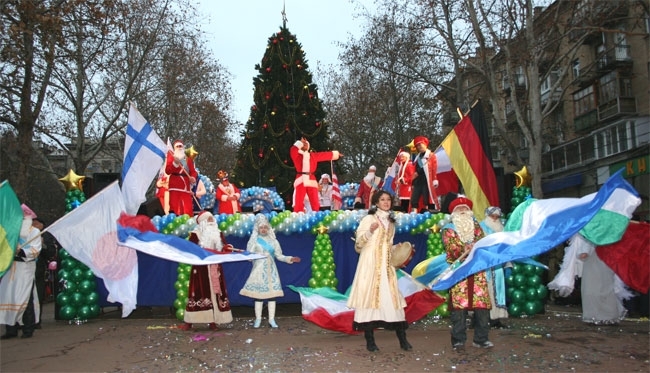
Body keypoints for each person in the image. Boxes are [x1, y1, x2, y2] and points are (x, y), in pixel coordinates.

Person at [347, 190, 412, 352]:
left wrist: (397, 249)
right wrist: (370, 231)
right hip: (370, 264)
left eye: (388, 199)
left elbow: (388, 244)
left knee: (391, 298)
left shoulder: (391, 222)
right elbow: (358, 245)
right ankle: (370, 342)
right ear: (376, 202)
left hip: (386, 265)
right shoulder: (369, 219)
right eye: (382, 200)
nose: (386, 202)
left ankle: (403, 340)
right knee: (369, 298)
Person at [441, 195, 493, 351]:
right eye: (459, 209)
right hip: (459, 272)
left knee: (482, 306)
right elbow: (451, 247)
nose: (463, 211)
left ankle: (481, 339)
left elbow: (483, 242)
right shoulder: (448, 229)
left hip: (477, 272)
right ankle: (458, 340)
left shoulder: (476, 226)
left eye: (465, 208)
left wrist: (476, 246)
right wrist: (463, 249)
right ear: (454, 213)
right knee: (459, 308)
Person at [548, 233, 630, 324]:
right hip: (600, 256)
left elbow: (591, 235)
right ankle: (600, 315)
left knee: (596, 287)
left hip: (600, 256)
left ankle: (602, 315)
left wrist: (585, 250)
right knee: (599, 286)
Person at [240, 214, 301, 328]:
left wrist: (290, 258)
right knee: (258, 296)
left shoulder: (274, 242)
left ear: (268, 228)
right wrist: (250, 254)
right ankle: (258, 319)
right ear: (258, 229)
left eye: (265, 227)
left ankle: (271, 319)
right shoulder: (254, 241)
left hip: (271, 271)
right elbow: (249, 256)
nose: (263, 230)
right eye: (261, 228)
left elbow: (279, 256)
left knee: (272, 296)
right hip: (258, 270)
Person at [179, 211, 234, 331]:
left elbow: (224, 248)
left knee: (215, 293)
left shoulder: (218, 233)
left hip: (215, 267)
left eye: (212, 219)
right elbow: (190, 250)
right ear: (202, 222)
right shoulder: (196, 234)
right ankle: (190, 321)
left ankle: (213, 320)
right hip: (201, 269)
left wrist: (227, 248)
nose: (211, 221)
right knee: (198, 293)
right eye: (208, 219)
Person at [0, 204, 42, 339]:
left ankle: (27, 329)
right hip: (10, 269)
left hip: (25, 269)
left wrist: (21, 251)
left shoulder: (34, 232)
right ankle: (11, 330)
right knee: (8, 297)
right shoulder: (10, 232)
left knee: (25, 298)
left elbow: (35, 251)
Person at [290, 137, 341, 212]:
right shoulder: (297, 156)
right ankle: (298, 215)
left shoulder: (313, 156)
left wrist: (335, 154)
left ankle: (316, 215)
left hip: (311, 179)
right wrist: (300, 142)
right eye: (303, 144)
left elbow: (323, 155)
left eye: (306, 144)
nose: (304, 145)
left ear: (308, 146)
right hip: (301, 179)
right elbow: (293, 150)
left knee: (315, 202)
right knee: (298, 201)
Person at [479, 206, 510, 329]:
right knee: (486, 293)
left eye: (497, 217)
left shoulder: (502, 229)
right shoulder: (481, 227)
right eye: (493, 216)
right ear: (488, 216)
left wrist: (508, 264)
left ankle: (496, 319)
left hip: (498, 266)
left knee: (498, 292)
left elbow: (506, 249)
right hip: (485, 266)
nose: (495, 219)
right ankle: (483, 319)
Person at [165, 140, 198, 216]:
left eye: (181, 146)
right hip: (175, 185)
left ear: (183, 147)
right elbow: (168, 171)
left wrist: (193, 177)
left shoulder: (188, 159)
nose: (179, 148)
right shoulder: (172, 157)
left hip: (185, 187)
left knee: (188, 208)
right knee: (174, 206)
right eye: (177, 146)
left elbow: (193, 171)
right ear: (174, 148)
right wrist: (175, 163)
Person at [410, 136, 439, 213]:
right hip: (418, 181)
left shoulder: (431, 155)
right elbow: (414, 169)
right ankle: (414, 215)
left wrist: (434, 179)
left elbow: (433, 168)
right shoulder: (417, 157)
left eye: (420, 144)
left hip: (426, 181)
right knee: (414, 199)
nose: (419, 147)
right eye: (417, 146)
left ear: (425, 144)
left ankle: (430, 215)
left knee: (428, 199)